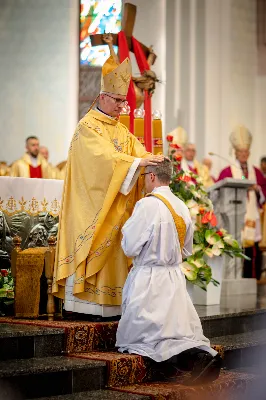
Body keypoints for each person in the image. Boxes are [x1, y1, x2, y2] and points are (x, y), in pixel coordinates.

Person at [52, 55, 164, 318]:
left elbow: (138, 152)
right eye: (117, 101)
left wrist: (153, 160)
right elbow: (102, 161)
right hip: (90, 209)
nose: (121, 107)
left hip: (115, 208)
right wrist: (137, 162)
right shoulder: (87, 127)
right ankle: (85, 305)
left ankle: (113, 306)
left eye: (124, 102)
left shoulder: (120, 130)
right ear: (102, 96)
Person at [116, 159, 221, 385]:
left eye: (144, 176)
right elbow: (187, 249)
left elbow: (130, 246)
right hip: (173, 279)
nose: (143, 181)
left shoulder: (147, 205)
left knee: (147, 338)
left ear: (152, 176)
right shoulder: (181, 205)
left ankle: (191, 360)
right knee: (173, 332)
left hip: (149, 280)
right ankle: (201, 357)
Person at [218, 126, 266, 280]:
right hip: (233, 216)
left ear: (249, 153)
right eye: (240, 152)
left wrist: (257, 189)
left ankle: (252, 279)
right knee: (236, 245)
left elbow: (264, 189)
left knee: (252, 249)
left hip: (251, 215)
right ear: (236, 153)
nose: (243, 155)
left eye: (246, 152)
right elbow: (220, 191)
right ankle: (233, 278)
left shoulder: (256, 172)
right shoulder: (227, 171)